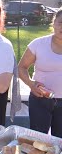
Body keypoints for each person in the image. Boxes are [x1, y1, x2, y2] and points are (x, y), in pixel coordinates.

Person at [18, 8, 62, 138]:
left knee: (59, 141)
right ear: (53, 23)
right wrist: (31, 85)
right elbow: (21, 68)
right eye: (61, 23)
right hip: (40, 100)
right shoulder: (38, 44)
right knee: (38, 139)